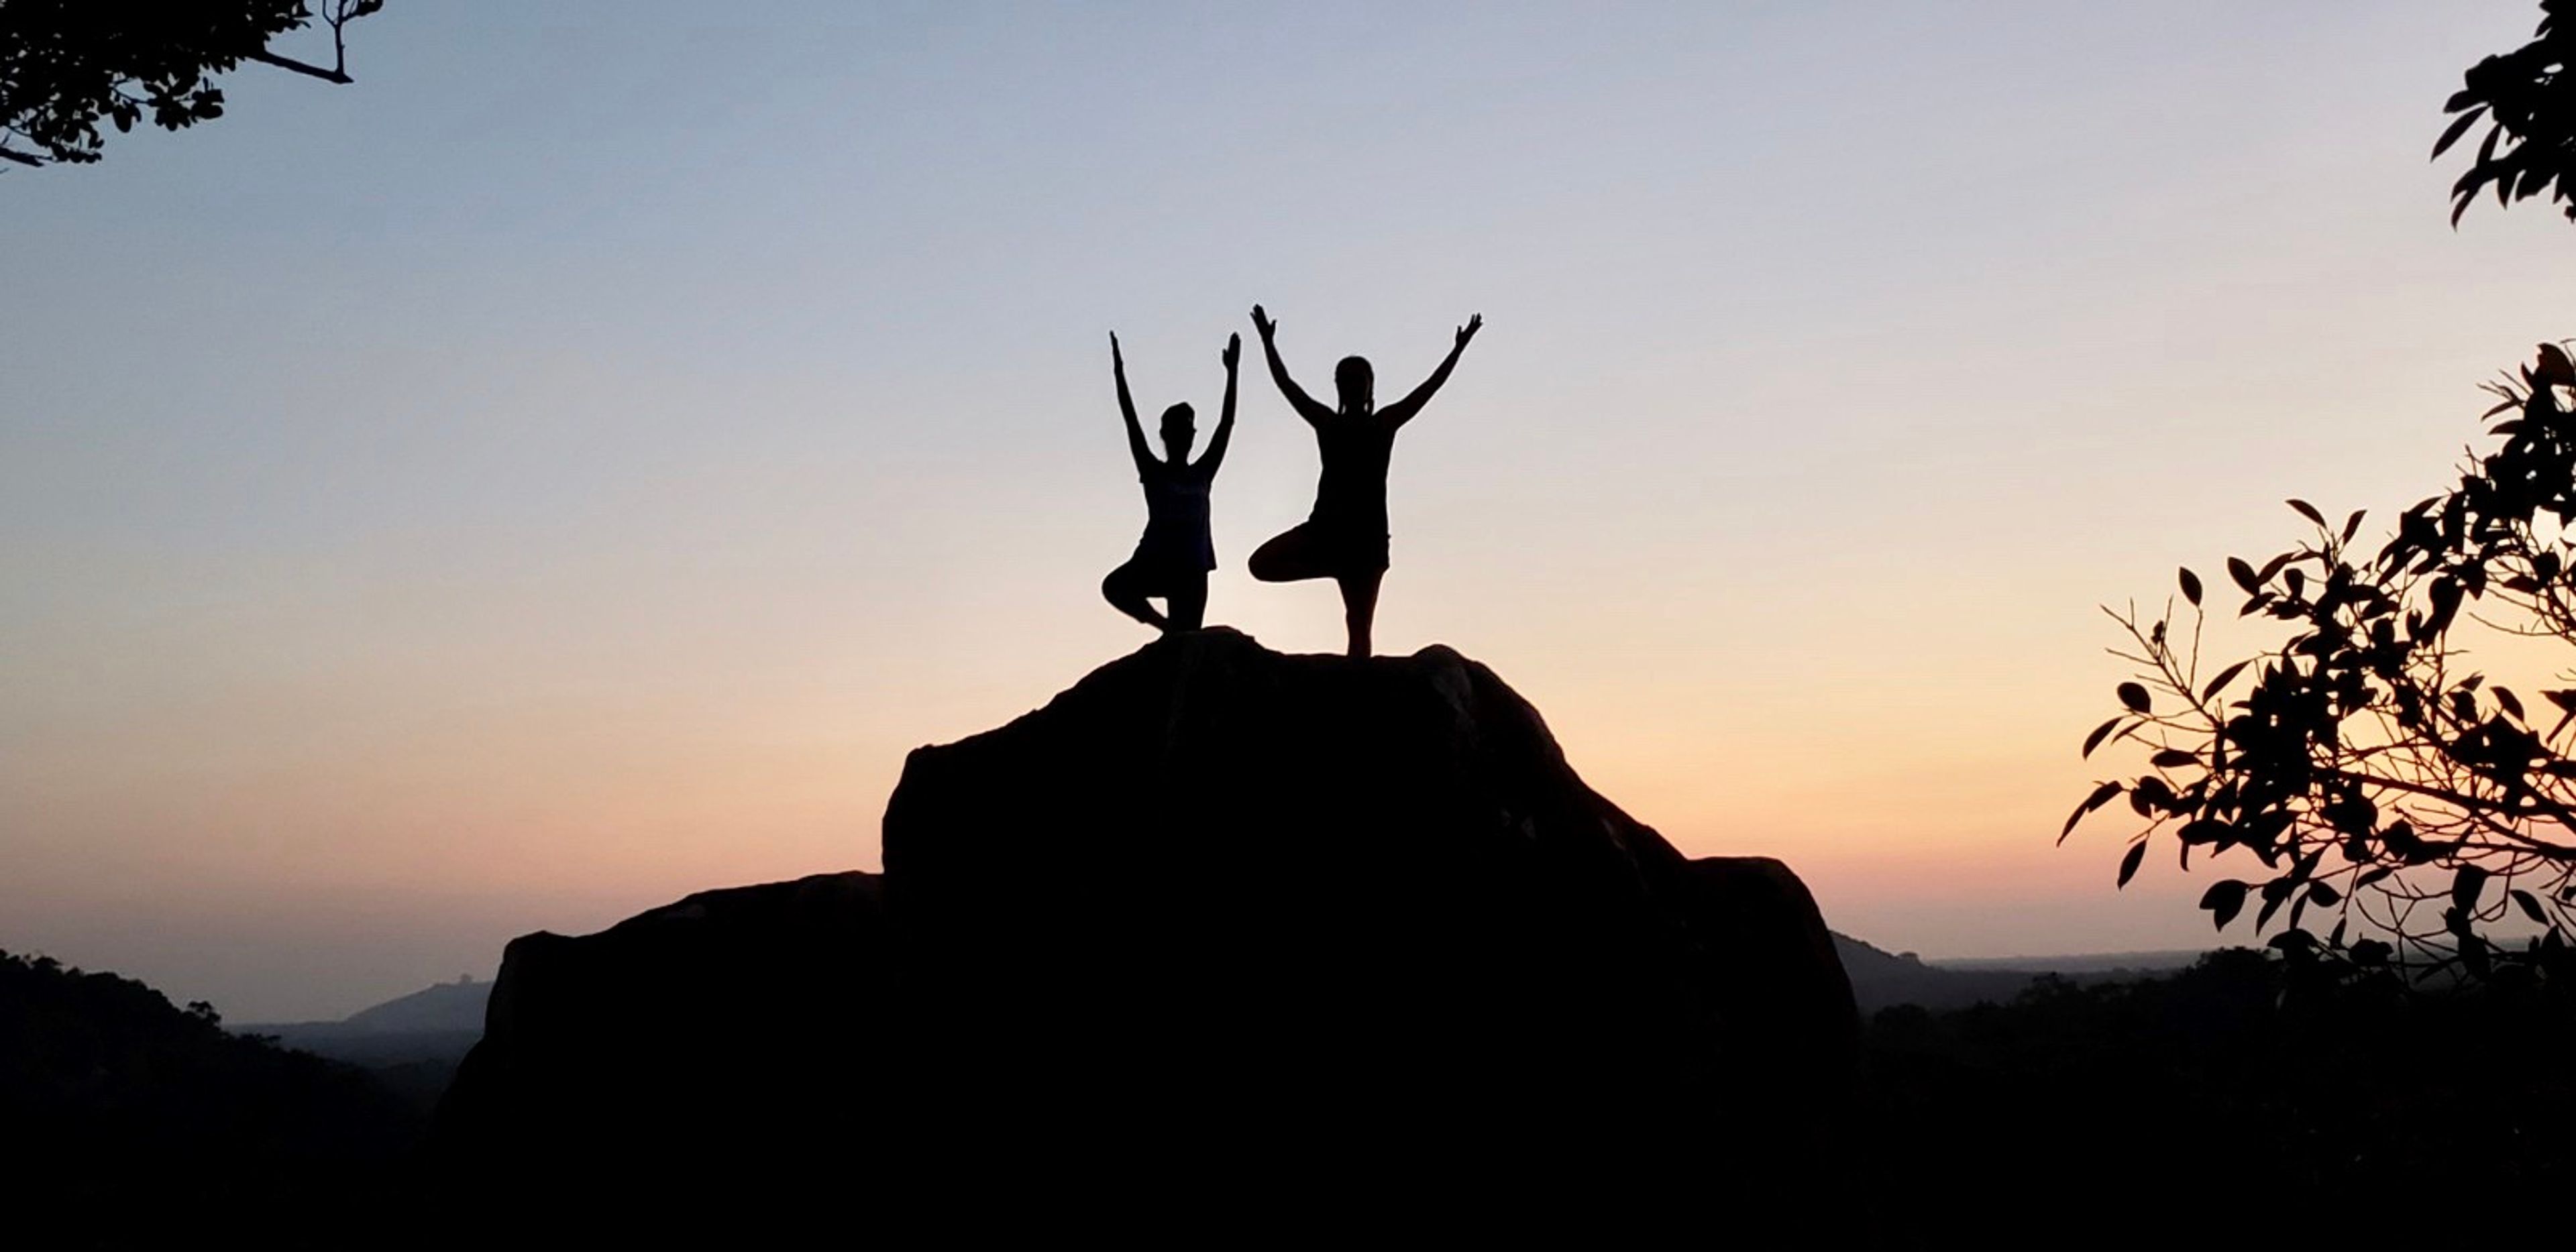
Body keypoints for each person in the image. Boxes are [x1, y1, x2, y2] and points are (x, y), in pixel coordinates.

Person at [1246, 304, 1481, 657]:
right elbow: (1288, 386)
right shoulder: (1328, 424)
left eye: (1360, 379)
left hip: (1367, 542)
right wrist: (1268, 343)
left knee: (1359, 630)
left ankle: (1358, 702)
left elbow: (1427, 390)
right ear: (1338, 387)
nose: (1353, 385)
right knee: (1261, 564)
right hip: (1324, 531)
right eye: (1347, 379)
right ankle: (1329, 566)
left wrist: (1457, 350)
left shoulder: (1383, 424)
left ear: (1370, 386)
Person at [1101, 330, 1237, 633]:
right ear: (1164, 434)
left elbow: (1226, 424)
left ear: (1193, 435)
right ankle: (1165, 626)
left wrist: (1233, 373)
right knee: (1115, 587)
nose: (1184, 435)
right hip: (1156, 561)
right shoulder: (1153, 471)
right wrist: (1119, 373)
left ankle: (1175, 633)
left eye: (1188, 429)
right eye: (1177, 429)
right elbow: (1130, 420)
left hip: (1194, 569)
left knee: (1187, 642)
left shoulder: (1203, 471)